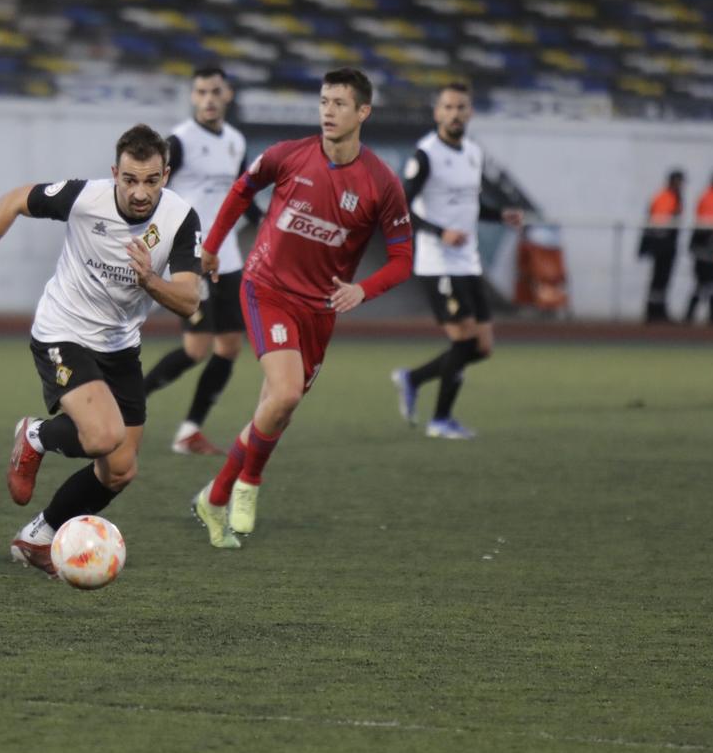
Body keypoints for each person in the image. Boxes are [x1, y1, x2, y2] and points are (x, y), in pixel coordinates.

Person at [0, 125, 201, 576]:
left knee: (121, 469)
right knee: (102, 437)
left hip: (120, 345)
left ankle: (38, 537)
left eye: (150, 180)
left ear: (165, 175)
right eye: (129, 179)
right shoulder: (84, 198)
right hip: (62, 332)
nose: (140, 192)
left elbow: (189, 300)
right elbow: (14, 200)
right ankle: (35, 435)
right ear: (115, 173)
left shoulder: (181, 219)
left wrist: (151, 280)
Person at [188, 69, 415, 549]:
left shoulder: (381, 183)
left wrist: (363, 289)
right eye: (324, 102)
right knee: (286, 394)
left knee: (274, 412)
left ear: (363, 113)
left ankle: (215, 496)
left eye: (339, 103)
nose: (328, 112)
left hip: (319, 311)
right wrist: (212, 246)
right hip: (266, 287)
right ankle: (250, 485)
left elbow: (402, 259)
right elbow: (242, 190)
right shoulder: (288, 155)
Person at [390, 81, 524, 441]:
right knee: (464, 341)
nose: (454, 113)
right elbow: (401, 208)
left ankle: (412, 379)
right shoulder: (426, 154)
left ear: (470, 112)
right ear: (437, 113)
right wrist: (438, 232)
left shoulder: (473, 153)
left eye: (461, 107)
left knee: (482, 348)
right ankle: (441, 420)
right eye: (447, 107)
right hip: (438, 263)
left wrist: (500, 215)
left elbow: (469, 203)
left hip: (468, 261)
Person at [141, 68, 255, 456]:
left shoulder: (237, 142)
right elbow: (154, 195)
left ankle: (190, 431)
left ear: (228, 95)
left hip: (231, 259)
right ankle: (129, 403)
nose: (208, 98)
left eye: (215, 91)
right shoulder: (180, 142)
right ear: (193, 97)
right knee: (195, 349)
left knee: (228, 348)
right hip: (195, 259)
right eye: (201, 91)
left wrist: (270, 222)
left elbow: (244, 196)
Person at [684, 172, 713, 324]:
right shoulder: (710, 198)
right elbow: (712, 222)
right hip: (705, 245)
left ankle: (710, 314)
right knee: (705, 281)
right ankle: (700, 314)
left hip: (712, 246)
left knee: (709, 282)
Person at [639, 170, 684, 323]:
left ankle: (659, 309)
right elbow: (660, 223)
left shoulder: (674, 197)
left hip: (667, 244)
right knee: (659, 278)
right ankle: (654, 311)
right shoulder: (666, 197)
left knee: (663, 279)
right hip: (662, 245)